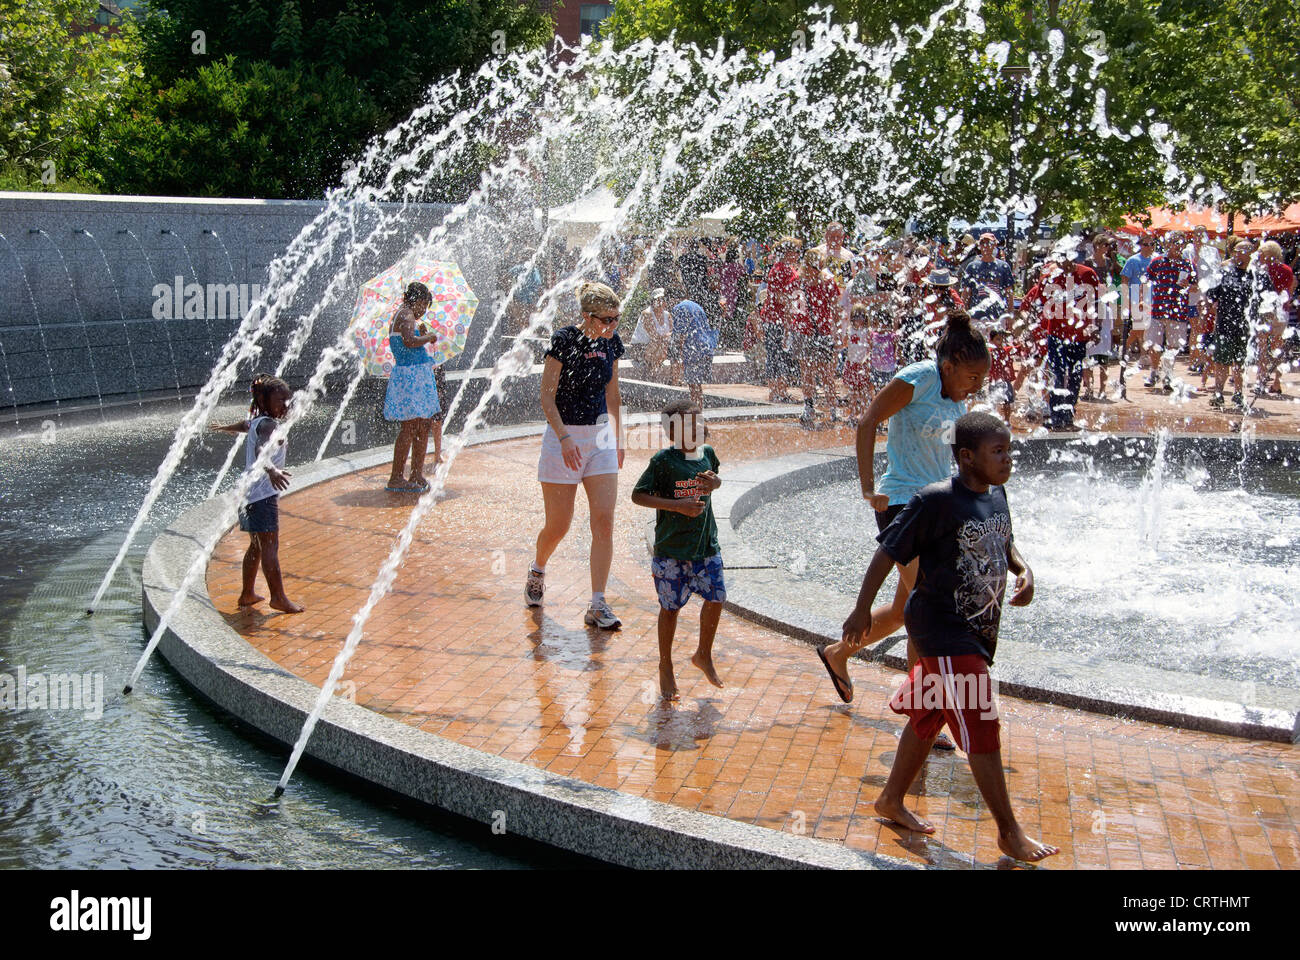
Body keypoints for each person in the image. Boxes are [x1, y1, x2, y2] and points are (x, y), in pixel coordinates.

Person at [840, 412, 1056, 863]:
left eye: (1009, 450)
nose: (1008, 459)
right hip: (941, 630)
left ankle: (891, 799)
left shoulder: (996, 495)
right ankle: (1009, 831)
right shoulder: (935, 500)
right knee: (980, 720)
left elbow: (1007, 542)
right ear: (967, 457)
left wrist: (1024, 570)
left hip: (975, 631)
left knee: (930, 713)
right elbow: (888, 552)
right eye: (998, 451)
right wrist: (861, 609)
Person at [816, 313, 990, 752]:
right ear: (948, 366)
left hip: (936, 506)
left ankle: (838, 653)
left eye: (981, 379)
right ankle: (923, 719)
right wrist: (867, 486)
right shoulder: (919, 379)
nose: (976, 387)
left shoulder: (956, 400)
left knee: (901, 611)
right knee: (928, 611)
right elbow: (868, 421)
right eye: (971, 377)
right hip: (900, 504)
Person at [526, 281, 625, 629]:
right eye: (606, 319)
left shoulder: (611, 343)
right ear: (587, 316)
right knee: (559, 525)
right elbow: (546, 396)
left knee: (604, 521)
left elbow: (613, 394)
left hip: (600, 439)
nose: (612, 325)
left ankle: (597, 604)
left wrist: (619, 438)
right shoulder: (564, 341)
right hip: (562, 438)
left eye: (616, 318)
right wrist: (565, 438)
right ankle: (538, 568)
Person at [631, 400, 726, 701]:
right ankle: (666, 664)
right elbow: (638, 495)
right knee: (670, 609)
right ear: (673, 432)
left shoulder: (708, 454)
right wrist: (678, 507)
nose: (699, 427)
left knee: (716, 598)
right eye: (690, 424)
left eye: (700, 421)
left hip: (706, 545)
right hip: (671, 550)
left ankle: (703, 653)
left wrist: (716, 483)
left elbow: (716, 480)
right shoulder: (664, 461)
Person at [211, 374, 303, 614]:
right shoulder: (269, 425)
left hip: (247, 494)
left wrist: (226, 427)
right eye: (280, 400)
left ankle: (247, 593)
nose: (286, 405)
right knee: (270, 546)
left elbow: (245, 425)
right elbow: (260, 448)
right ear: (263, 402)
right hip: (262, 496)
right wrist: (272, 470)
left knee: (257, 546)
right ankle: (278, 598)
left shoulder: (258, 421)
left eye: (288, 400)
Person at [1020, 243, 1102, 430]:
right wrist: (1030, 330)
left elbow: (1096, 303)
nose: (1063, 263)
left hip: (1079, 336)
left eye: (1066, 258)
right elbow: (1037, 305)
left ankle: (1068, 416)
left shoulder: (1087, 274)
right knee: (1057, 374)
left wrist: (1096, 327)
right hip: (1056, 334)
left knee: (1075, 375)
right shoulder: (1049, 278)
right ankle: (1056, 417)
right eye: (1059, 259)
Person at [384, 282, 442, 492]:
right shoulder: (406, 314)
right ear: (416, 300)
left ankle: (416, 474)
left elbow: (409, 338)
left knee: (422, 426)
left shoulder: (404, 316)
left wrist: (421, 333)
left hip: (412, 377)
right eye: (424, 305)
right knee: (410, 428)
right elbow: (409, 341)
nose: (424, 310)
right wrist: (428, 337)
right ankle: (397, 477)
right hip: (412, 378)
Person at [1143, 232, 1196, 391]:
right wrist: (1141, 299)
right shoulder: (1157, 262)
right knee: (1154, 344)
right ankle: (1154, 371)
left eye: (1180, 243)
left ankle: (1167, 375)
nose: (1177, 246)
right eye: (1174, 242)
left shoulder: (1188, 264)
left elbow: (1195, 287)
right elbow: (1145, 280)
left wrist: (1188, 286)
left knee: (1173, 347)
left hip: (1178, 311)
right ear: (1167, 244)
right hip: (1157, 310)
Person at [1205, 239, 1254, 410]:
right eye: (1235, 252)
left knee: (1240, 362)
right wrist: (1207, 307)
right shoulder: (1224, 272)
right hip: (1224, 325)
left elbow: (1266, 299)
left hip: (1246, 327)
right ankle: (1218, 393)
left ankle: (1238, 394)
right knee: (1221, 361)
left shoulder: (1256, 275)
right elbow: (1211, 294)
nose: (1237, 255)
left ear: (1251, 254)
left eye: (1242, 251)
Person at [759, 237, 802, 401]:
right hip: (777, 319)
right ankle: (777, 392)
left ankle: (778, 392)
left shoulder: (783, 268)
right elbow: (778, 296)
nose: (798, 254)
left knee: (778, 356)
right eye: (796, 251)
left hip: (777, 319)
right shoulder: (781, 269)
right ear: (788, 252)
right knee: (777, 356)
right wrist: (792, 306)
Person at [1255, 239, 1296, 396]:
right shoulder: (1287, 269)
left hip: (1266, 310)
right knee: (1278, 349)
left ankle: (1260, 381)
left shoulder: (1263, 269)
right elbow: (1289, 292)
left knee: (1262, 348)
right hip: (1282, 312)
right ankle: (1277, 382)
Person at [670, 294, 717, 408]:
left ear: (672, 299)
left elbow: (681, 333)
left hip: (693, 350)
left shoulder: (678, 308)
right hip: (706, 347)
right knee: (697, 385)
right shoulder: (697, 306)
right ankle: (698, 410)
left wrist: (680, 353)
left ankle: (695, 413)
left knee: (693, 386)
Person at [842, 305, 873, 427]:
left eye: (862, 316)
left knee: (864, 391)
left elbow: (871, 348)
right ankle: (852, 414)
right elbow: (844, 343)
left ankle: (863, 414)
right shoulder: (850, 330)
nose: (859, 319)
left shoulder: (867, 331)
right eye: (856, 316)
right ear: (852, 318)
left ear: (866, 318)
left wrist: (866, 360)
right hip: (851, 363)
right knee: (853, 391)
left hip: (862, 365)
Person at [988, 326, 1017, 424]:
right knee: (993, 402)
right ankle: (994, 421)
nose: (1000, 342)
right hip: (994, 382)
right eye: (997, 339)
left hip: (1005, 381)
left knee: (1007, 402)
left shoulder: (1006, 350)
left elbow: (1017, 348)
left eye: (1002, 339)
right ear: (991, 341)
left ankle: (1007, 420)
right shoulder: (989, 353)